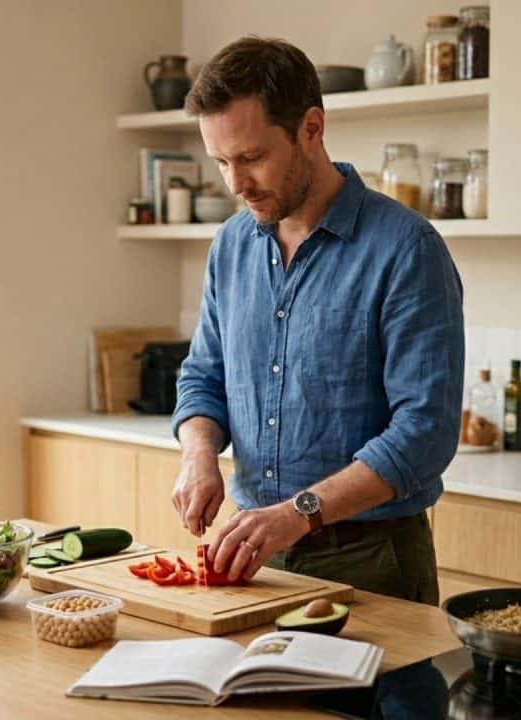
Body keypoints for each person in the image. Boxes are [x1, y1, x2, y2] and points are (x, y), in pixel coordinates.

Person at [169, 36, 464, 605]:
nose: (235, 184)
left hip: (372, 561)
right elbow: (203, 378)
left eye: (251, 158)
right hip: (254, 551)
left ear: (311, 127)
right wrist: (199, 454)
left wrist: (299, 513)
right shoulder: (230, 245)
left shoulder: (407, 249)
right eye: (222, 162)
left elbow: (424, 433)